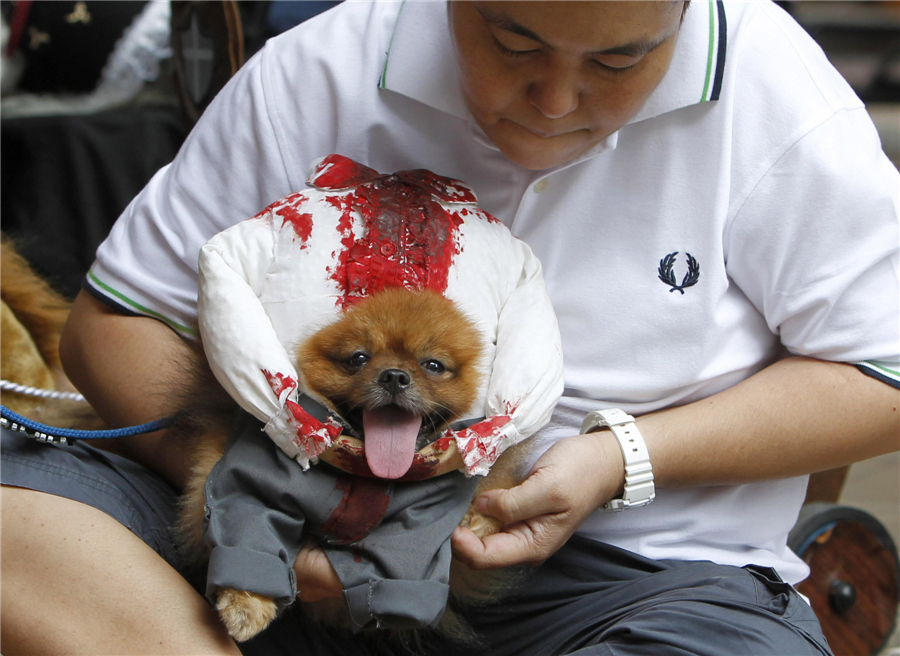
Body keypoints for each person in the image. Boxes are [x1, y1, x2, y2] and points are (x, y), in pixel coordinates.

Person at [2, 2, 897, 655]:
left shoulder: (777, 91)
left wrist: (618, 456)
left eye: (619, 62)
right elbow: (119, 319)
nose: (554, 100)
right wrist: (270, 491)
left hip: (627, 578)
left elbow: (882, 370)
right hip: (266, 532)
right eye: (512, 39)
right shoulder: (328, 66)